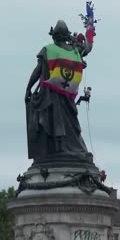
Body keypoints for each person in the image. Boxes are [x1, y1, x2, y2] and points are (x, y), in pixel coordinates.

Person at [25, 20, 95, 164]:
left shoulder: (48, 50)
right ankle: (70, 148)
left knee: (51, 121)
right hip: (68, 96)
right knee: (71, 125)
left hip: (51, 96)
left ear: (54, 36)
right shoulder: (75, 51)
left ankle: (57, 149)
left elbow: (38, 71)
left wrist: (28, 88)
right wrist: (90, 30)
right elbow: (88, 48)